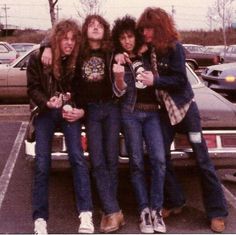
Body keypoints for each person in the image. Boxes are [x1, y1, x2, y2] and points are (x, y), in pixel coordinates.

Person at [136, 7, 228, 233]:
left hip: (186, 110)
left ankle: (217, 212)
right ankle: (176, 201)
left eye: (149, 29)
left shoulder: (175, 49)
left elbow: (179, 80)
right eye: (144, 29)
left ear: (159, 28)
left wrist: (155, 80)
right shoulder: (148, 51)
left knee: (202, 160)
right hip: (165, 113)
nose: (145, 33)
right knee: (160, 157)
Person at [27, 19, 94, 234]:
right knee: (42, 164)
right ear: (56, 38)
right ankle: (40, 220)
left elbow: (82, 89)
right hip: (46, 113)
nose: (69, 43)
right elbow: (33, 88)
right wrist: (46, 102)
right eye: (65, 38)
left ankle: (86, 214)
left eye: (73, 39)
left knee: (77, 157)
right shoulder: (39, 57)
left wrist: (74, 103)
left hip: (68, 112)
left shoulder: (78, 59)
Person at [112, 15, 166, 233]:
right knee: (136, 163)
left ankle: (157, 210)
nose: (127, 41)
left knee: (159, 160)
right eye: (122, 38)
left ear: (136, 36)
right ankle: (144, 211)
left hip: (153, 114)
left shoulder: (150, 52)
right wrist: (118, 75)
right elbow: (118, 92)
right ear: (119, 40)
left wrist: (146, 47)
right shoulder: (119, 59)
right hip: (131, 113)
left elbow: (164, 39)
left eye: (130, 36)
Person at [74, 14, 125, 233]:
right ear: (85, 30)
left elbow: (132, 42)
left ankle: (108, 211)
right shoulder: (78, 52)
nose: (95, 28)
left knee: (112, 160)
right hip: (91, 110)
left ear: (105, 30)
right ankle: (114, 210)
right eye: (91, 25)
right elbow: (54, 39)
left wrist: (122, 56)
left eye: (99, 26)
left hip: (111, 107)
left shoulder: (112, 50)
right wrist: (47, 45)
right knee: (97, 161)